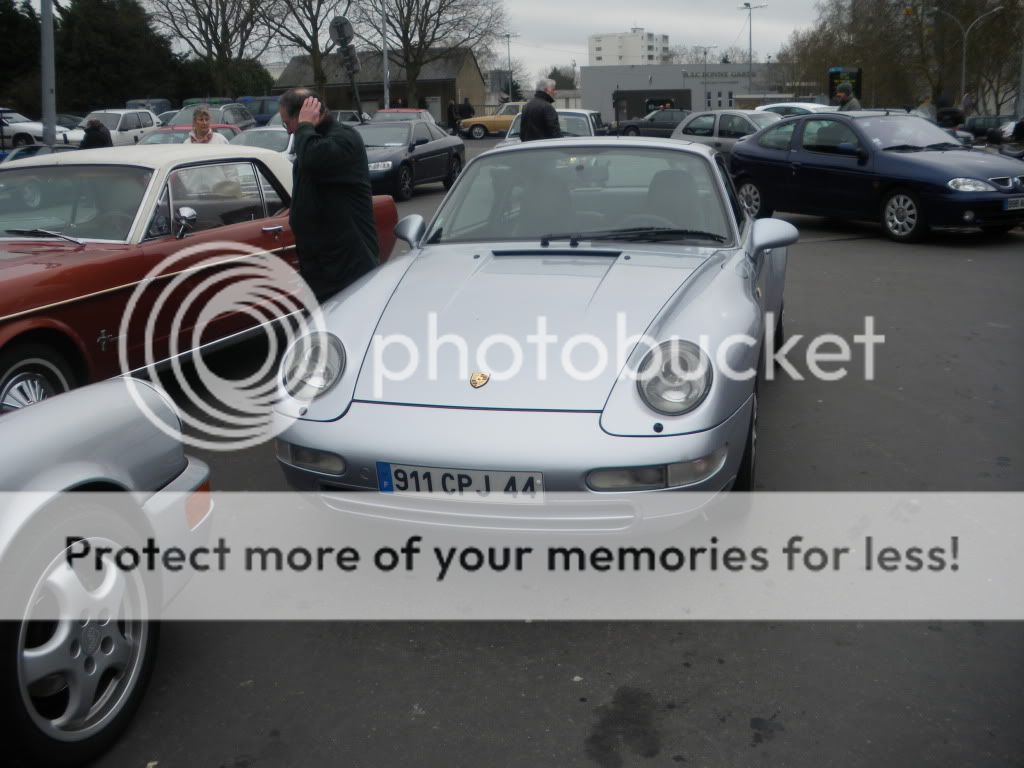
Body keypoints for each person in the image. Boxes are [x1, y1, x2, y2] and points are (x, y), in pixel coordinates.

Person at [278, 88, 379, 303]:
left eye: (288, 124)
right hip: (321, 269)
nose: (289, 132)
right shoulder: (310, 144)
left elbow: (315, 160)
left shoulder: (344, 139)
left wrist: (304, 126)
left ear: (306, 114)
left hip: (347, 270)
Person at [520, 78, 561, 142]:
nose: (555, 92)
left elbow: (522, 133)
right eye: (553, 89)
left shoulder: (526, 106)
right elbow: (555, 133)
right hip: (544, 148)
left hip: (527, 148)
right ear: (546, 90)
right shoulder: (547, 107)